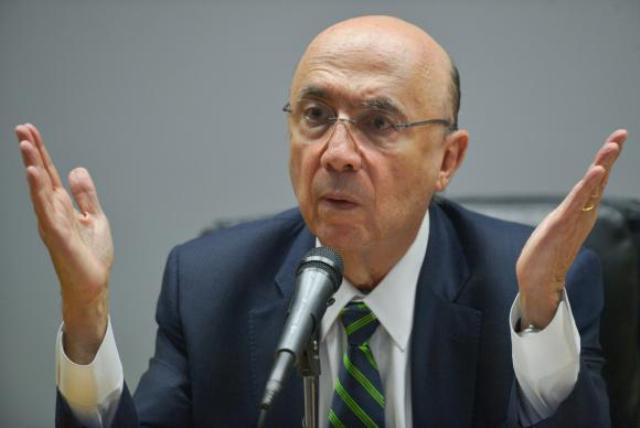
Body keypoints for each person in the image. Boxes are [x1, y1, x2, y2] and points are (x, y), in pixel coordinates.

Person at [15, 15, 627, 428]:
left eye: (378, 123)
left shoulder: (530, 291)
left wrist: (540, 316)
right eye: (315, 114)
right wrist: (86, 315)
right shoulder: (207, 285)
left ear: (447, 159)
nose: (336, 153)